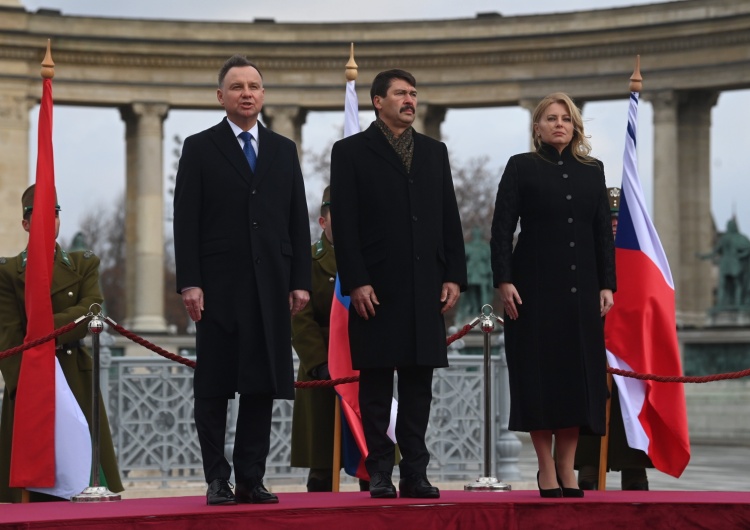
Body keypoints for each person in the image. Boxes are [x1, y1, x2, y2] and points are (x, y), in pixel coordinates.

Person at [173, 54, 311, 506]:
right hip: (217, 287)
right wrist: (189, 282)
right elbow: (185, 220)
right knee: (214, 386)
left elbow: (296, 219)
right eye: (236, 86)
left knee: (260, 386)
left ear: (263, 94)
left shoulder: (283, 149)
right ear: (221, 96)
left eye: (254, 85)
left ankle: (252, 478)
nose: (246, 93)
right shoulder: (198, 147)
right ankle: (218, 478)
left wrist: (299, 280)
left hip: (270, 285)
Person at [330, 69, 467, 499]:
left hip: (425, 287)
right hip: (376, 291)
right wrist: (356, 282)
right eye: (400, 94)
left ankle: (416, 472)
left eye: (413, 93)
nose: (409, 100)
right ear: (377, 101)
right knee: (374, 387)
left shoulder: (433, 152)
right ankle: (380, 471)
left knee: (417, 388)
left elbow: (449, 217)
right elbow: (346, 225)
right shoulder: (350, 151)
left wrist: (453, 275)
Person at [490, 92, 616, 498]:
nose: (559, 124)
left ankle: (567, 468)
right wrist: (504, 279)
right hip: (531, 293)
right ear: (537, 127)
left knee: (576, 382)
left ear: (575, 125)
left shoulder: (592, 170)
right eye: (550, 118)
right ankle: (546, 468)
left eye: (565, 118)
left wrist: (607, 284)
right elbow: (501, 228)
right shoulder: (521, 166)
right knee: (540, 380)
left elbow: (602, 233)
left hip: (581, 295)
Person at [0, 184, 123, 503]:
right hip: (28, 378)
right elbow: (9, 333)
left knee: (84, 477)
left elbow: (92, 309)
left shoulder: (83, 264)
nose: (48, 221)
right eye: (39, 215)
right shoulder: (9, 272)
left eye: (54, 214)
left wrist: (40, 328)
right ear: (25, 223)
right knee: (30, 487)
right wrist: (23, 381)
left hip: (74, 376)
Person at [575, 187, 653, 491]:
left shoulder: (642, 254)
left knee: (631, 408)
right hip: (592, 340)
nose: (615, 226)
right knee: (588, 402)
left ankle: (635, 469)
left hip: (631, 348)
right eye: (610, 220)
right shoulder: (583, 250)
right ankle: (589, 467)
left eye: (620, 221)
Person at [290, 186, 355, 492]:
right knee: (322, 464)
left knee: (369, 456)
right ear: (322, 222)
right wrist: (320, 365)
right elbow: (300, 319)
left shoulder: (369, 258)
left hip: (362, 367)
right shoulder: (307, 261)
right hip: (323, 369)